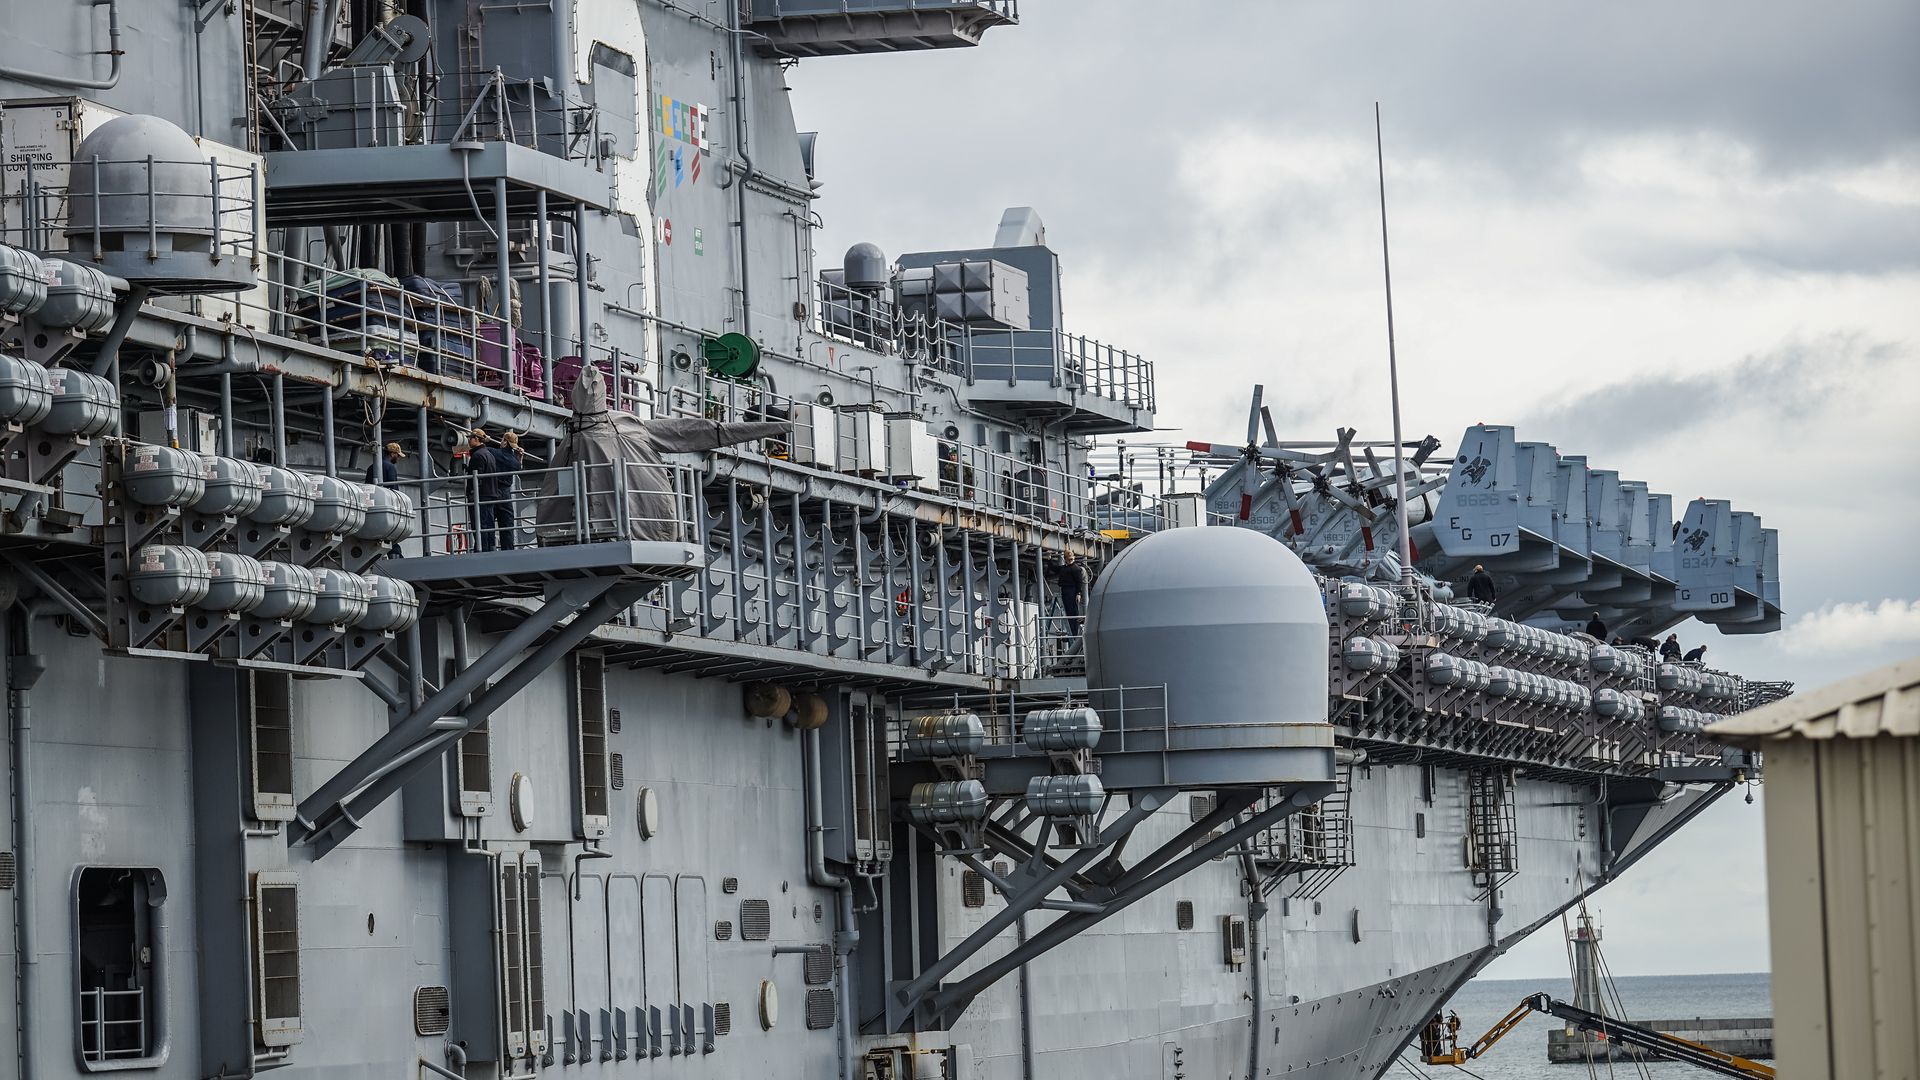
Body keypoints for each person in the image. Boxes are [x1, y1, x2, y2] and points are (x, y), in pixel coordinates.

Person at [465, 428, 517, 551]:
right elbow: (518, 466)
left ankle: (484, 549)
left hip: (488, 491)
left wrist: (486, 440)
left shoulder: (492, 453)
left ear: (504, 442)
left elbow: (483, 449)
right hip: (503, 493)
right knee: (506, 525)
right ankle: (507, 551)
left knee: (483, 523)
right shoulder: (513, 460)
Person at [1052, 552, 1090, 646]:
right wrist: (1049, 559)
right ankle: (1072, 634)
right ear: (1065, 559)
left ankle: (1073, 634)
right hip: (1066, 590)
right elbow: (1055, 569)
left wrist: (1078, 593)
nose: (1070, 561)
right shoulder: (1065, 568)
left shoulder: (1075, 569)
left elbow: (1079, 582)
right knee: (1069, 612)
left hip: (1071, 590)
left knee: (1072, 612)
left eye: (1071, 559)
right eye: (1069, 559)